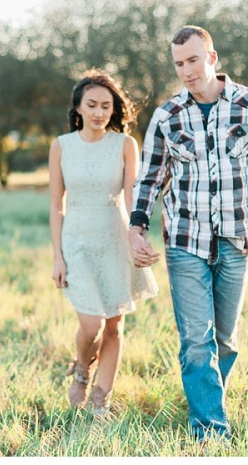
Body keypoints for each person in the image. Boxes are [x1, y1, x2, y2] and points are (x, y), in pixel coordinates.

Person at [129, 25, 248, 440]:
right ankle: (210, 431)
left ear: (212, 58)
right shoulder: (168, 115)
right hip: (185, 241)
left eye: (193, 60)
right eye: (179, 63)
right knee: (196, 341)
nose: (186, 70)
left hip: (237, 240)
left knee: (226, 340)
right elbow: (149, 178)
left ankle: (207, 397)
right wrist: (137, 227)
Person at [49, 69, 159, 416]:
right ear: (78, 108)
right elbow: (56, 206)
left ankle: (101, 400)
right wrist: (57, 257)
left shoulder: (125, 145)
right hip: (77, 240)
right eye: (92, 105)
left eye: (106, 106)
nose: (99, 112)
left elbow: (132, 198)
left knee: (114, 323)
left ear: (114, 110)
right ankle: (82, 370)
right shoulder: (61, 146)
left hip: (115, 235)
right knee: (91, 324)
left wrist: (137, 238)